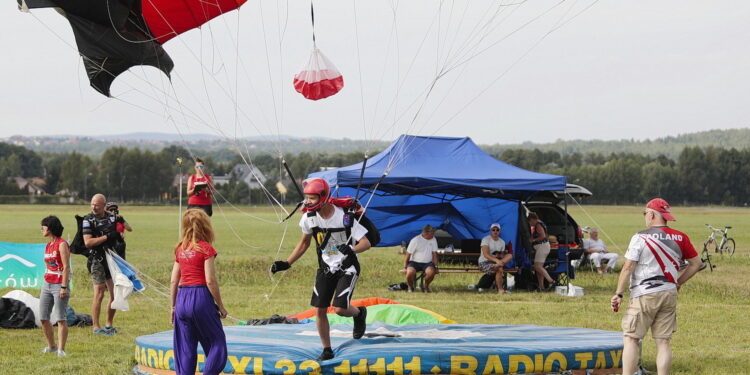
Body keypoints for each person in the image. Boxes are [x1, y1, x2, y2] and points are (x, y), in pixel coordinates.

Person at [271, 177, 370, 361]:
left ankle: (359, 313)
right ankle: (327, 349)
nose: (307, 202)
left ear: (324, 197)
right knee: (320, 309)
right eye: (306, 197)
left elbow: (366, 242)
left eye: (312, 198)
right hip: (325, 268)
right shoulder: (308, 218)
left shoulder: (343, 216)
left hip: (347, 267)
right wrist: (287, 263)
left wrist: (352, 249)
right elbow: (304, 243)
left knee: (340, 309)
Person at [611, 198, 702, 375]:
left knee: (631, 338)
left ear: (651, 214)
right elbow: (696, 264)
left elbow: (628, 267)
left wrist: (618, 293)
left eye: (645, 213)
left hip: (644, 293)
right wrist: (678, 283)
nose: (645, 217)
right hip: (669, 292)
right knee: (663, 342)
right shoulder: (681, 237)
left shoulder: (640, 237)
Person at [170, 209, 228, 375]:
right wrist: (221, 306)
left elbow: (174, 280)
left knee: (185, 348)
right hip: (201, 297)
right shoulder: (205, 249)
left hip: (182, 298)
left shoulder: (180, 249)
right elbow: (210, 280)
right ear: (205, 226)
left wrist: (173, 307)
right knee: (217, 342)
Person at [82, 193, 120, 335]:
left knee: (114, 294)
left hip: (111, 258)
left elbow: (124, 230)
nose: (94, 207)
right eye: (92, 204)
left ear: (104, 205)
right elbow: (88, 242)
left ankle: (109, 324)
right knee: (99, 293)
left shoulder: (112, 217)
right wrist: (107, 237)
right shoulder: (88, 219)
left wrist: (119, 235)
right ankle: (96, 327)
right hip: (97, 259)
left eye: (97, 205)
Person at [39, 215, 71, 357]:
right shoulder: (48, 245)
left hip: (59, 285)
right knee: (43, 317)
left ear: (50, 228)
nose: (41, 229)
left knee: (60, 318)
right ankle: (51, 346)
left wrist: (64, 287)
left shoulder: (62, 244)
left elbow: (66, 267)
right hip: (47, 284)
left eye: (43, 226)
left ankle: (61, 350)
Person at [478, 223, 513, 294]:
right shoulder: (485, 240)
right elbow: (486, 254)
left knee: (510, 255)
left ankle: (500, 289)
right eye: (493, 230)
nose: (495, 231)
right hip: (484, 263)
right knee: (499, 268)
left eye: (497, 230)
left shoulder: (502, 242)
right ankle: (500, 290)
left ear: (500, 231)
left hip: (496, 263)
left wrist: (501, 257)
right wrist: (497, 260)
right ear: (490, 231)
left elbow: (501, 256)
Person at [403, 224, 439, 293]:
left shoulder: (433, 239)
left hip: (428, 263)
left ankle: (426, 287)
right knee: (410, 272)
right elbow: (408, 254)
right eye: (432, 232)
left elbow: (434, 254)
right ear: (426, 233)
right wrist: (405, 267)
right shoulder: (415, 240)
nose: (434, 234)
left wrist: (436, 267)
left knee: (431, 272)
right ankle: (410, 287)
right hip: (414, 263)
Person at [528, 212, 554, 291]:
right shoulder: (539, 224)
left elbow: (542, 236)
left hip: (542, 247)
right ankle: (541, 287)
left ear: (533, 219)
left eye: (530, 222)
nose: (530, 224)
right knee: (539, 268)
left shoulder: (538, 225)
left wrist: (533, 240)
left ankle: (551, 281)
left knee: (537, 266)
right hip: (543, 247)